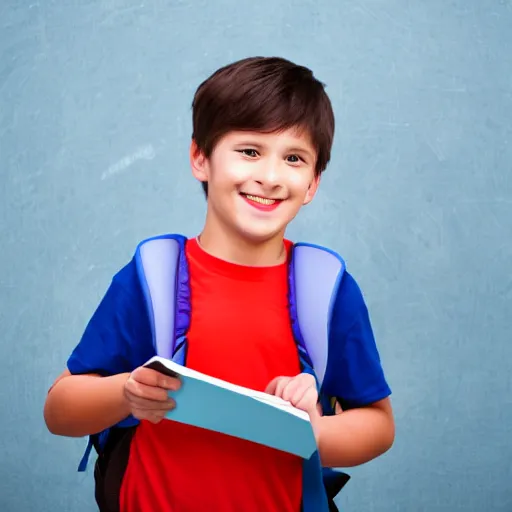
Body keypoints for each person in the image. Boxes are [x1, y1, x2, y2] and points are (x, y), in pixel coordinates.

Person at [44, 56, 395, 512]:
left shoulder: (328, 289)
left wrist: (313, 432)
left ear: (312, 183)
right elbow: (60, 408)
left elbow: (379, 424)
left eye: (293, 158)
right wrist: (127, 392)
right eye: (250, 151)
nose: (269, 177)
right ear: (200, 158)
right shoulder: (153, 276)